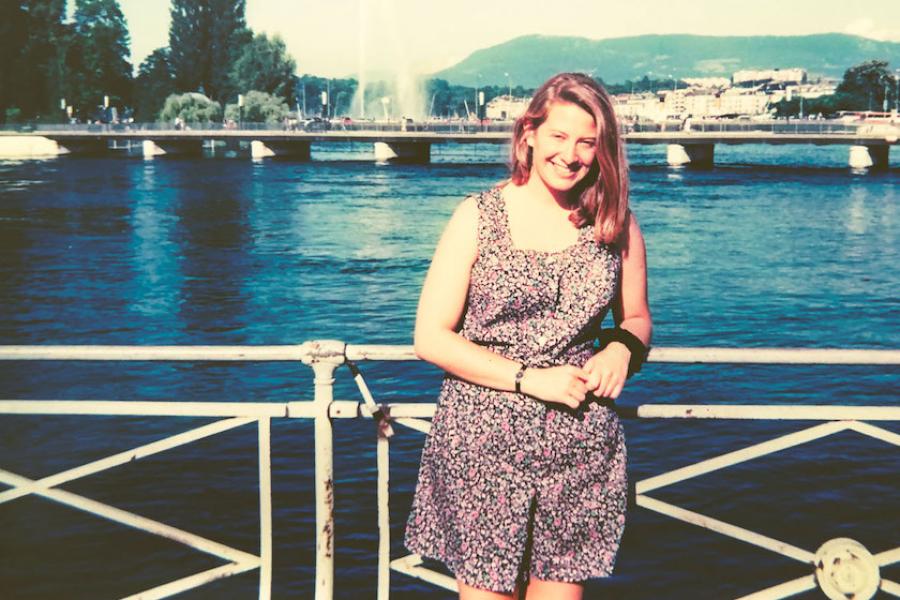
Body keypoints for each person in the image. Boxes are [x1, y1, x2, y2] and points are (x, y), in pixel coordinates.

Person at [405, 72, 652, 600]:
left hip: (578, 446)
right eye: (559, 136)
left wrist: (621, 349)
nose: (571, 154)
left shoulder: (616, 222)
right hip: (484, 444)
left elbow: (637, 319)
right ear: (529, 134)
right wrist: (527, 379)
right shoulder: (477, 216)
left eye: (587, 142)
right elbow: (430, 336)